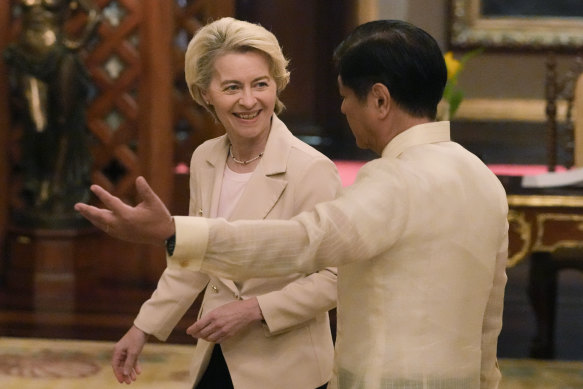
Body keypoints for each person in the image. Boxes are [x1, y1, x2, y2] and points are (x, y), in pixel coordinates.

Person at [75, 19, 509, 389]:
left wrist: (173, 232)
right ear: (206, 93)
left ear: (378, 99)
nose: (341, 109)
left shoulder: (389, 179)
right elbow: (491, 313)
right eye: (231, 87)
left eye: (345, 97)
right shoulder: (483, 177)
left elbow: (305, 243)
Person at [103, 17, 340, 389]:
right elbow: (195, 256)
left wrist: (254, 310)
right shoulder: (205, 158)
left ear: (276, 84)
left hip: (286, 369)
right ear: (204, 93)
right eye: (232, 87)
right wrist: (141, 328)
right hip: (217, 354)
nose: (249, 100)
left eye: (260, 84)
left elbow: (334, 279)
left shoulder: (311, 168)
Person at [3, 0, 101, 227]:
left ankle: (56, 184)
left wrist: (77, 43)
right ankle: (39, 181)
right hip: (27, 55)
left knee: (64, 121)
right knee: (37, 124)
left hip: (58, 55)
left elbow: (95, 15)